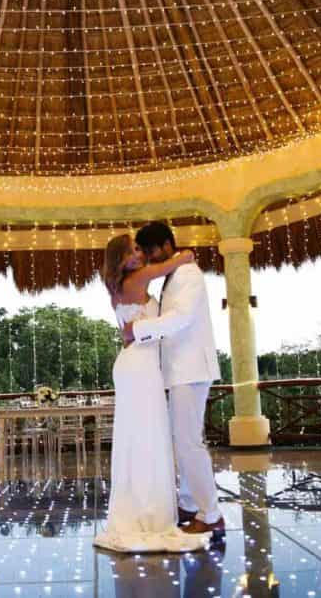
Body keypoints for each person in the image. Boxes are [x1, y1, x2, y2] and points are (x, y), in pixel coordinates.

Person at [93, 233, 208, 553]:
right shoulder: (138, 278)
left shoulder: (120, 285)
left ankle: (145, 506)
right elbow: (175, 262)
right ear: (119, 258)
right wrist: (185, 254)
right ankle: (148, 512)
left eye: (140, 249)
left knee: (142, 436)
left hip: (137, 364)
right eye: (133, 251)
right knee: (147, 436)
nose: (140, 255)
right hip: (140, 366)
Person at [122, 221, 224, 534]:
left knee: (189, 442)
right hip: (178, 370)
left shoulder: (188, 274)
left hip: (191, 369)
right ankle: (190, 504)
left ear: (167, 243)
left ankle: (211, 514)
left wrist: (136, 330)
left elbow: (181, 318)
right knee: (184, 440)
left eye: (151, 249)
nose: (150, 256)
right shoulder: (172, 275)